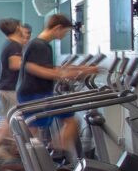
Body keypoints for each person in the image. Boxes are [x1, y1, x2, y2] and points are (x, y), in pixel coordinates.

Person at [17, 13, 91, 155]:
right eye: (66, 31)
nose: (65, 35)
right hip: (36, 94)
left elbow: (48, 68)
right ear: (57, 28)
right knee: (70, 122)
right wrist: (64, 74)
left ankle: (49, 154)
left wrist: (82, 70)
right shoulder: (40, 45)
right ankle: (55, 152)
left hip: (34, 92)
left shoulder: (39, 44)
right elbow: (35, 69)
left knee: (35, 130)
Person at [0, 18, 29, 158]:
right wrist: (36, 66)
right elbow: (14, 64)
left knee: (10, 119)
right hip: (9, 88)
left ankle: (4, 147)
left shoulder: (12, 44)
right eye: (20, 26)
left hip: (7, 87)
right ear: (17, 28)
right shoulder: (14, 45)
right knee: (12, 119)